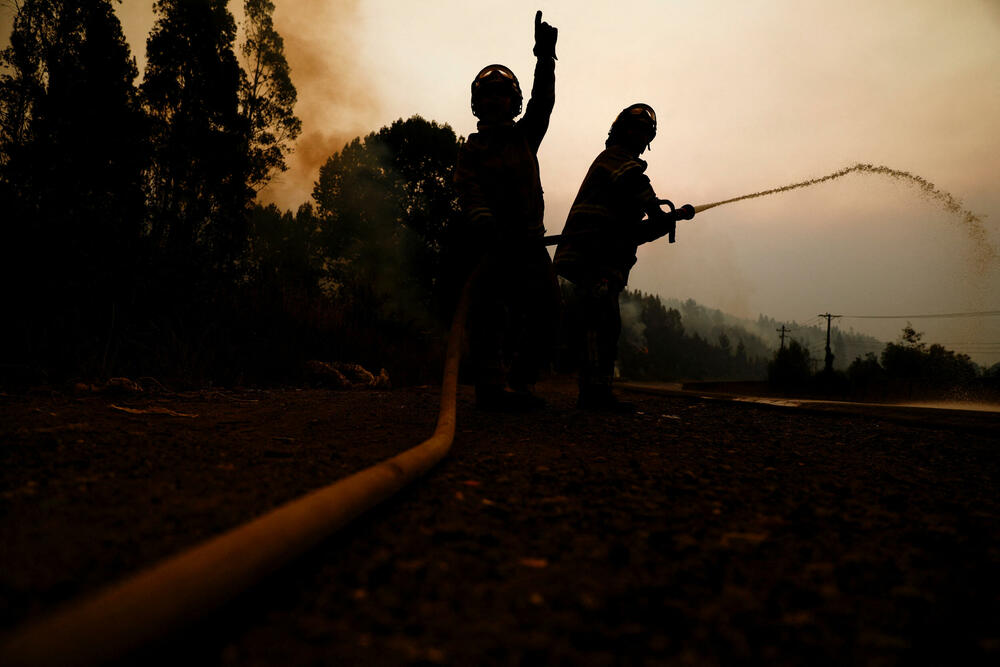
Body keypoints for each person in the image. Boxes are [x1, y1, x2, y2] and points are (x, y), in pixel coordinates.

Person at [553, 103, 695, 411]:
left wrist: (666, 221)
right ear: (619, 132)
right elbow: (637, 186)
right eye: (633, 129)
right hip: (591, 254)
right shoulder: (615, 160)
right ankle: (593, 395)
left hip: (604, 255)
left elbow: (632, 233)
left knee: (607, 322)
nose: (638, 136)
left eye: (644, 132)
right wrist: (657, 209)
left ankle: (597, 389)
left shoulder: (625, 178)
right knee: (600, 320)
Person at [454, 11, 559, 411]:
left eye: (503, 95)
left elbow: (544, 102)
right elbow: (467, 187)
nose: (495, 100)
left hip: (530, 246)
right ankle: (491, 388)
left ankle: (520, 383)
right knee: (488, 317)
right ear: (477, 105)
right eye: (488, 95)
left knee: (548, 313)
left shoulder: (525, 137)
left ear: (514, 103)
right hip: (490, 248)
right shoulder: (472, 150)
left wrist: (544, 59)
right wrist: (481, 218)